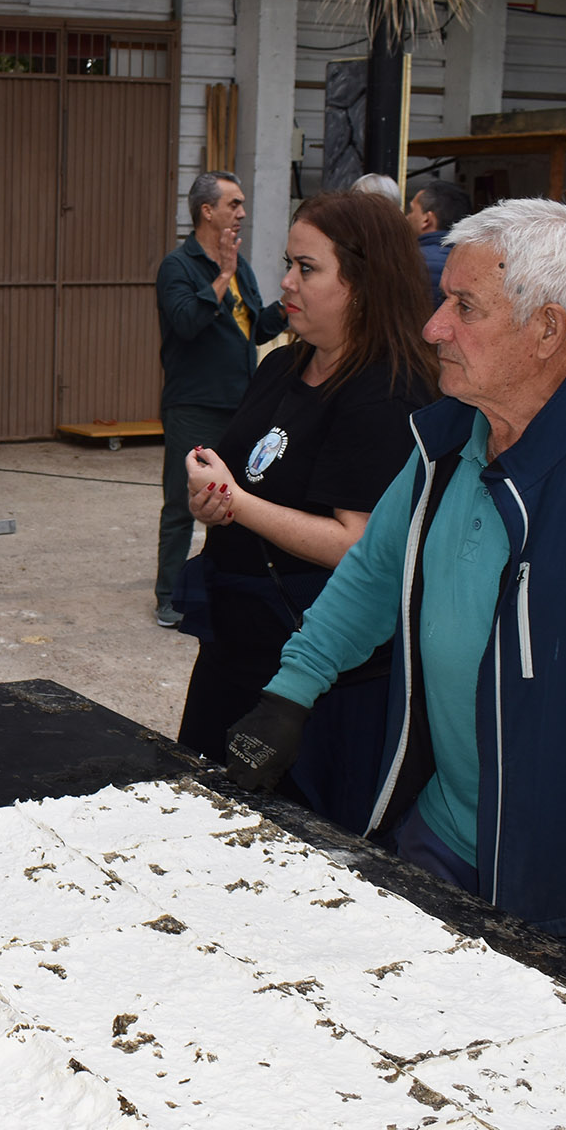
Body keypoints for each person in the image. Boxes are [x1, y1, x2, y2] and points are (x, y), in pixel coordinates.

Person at [224, 200, 566, 987]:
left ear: (545, 329)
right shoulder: (450, 439)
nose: (434, 327)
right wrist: (290, 695)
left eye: (463, 307)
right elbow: (372, 575)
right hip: (438, 832)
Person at [174, 192, 438, 831]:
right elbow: (252, 484)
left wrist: (237, 503)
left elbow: (358, 544)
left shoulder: (388, 390)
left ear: (365, 282)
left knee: (289, 841)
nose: (286, 283)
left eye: (307, 268)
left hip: (315, 666)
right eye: (288, 264)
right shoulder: (283, 366)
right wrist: (211, 501)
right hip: (235, 641)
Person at [153, 171, 285, 627]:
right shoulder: (179, 266)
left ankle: (219, 586)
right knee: (182, 501)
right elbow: (187, 322)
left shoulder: (241, 265)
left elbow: (259, 328)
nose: (242, 213)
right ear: (207, 211)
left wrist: (294, 299)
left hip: (243, 403)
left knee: (237, 501)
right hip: (194, 405)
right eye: (234, 203)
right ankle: (169, 595)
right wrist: (224, 274)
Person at [405, 179, 471, 308]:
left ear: (426, 219)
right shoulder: (474, 264)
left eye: (411, 210)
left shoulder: (409, 262)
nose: (407, 217)